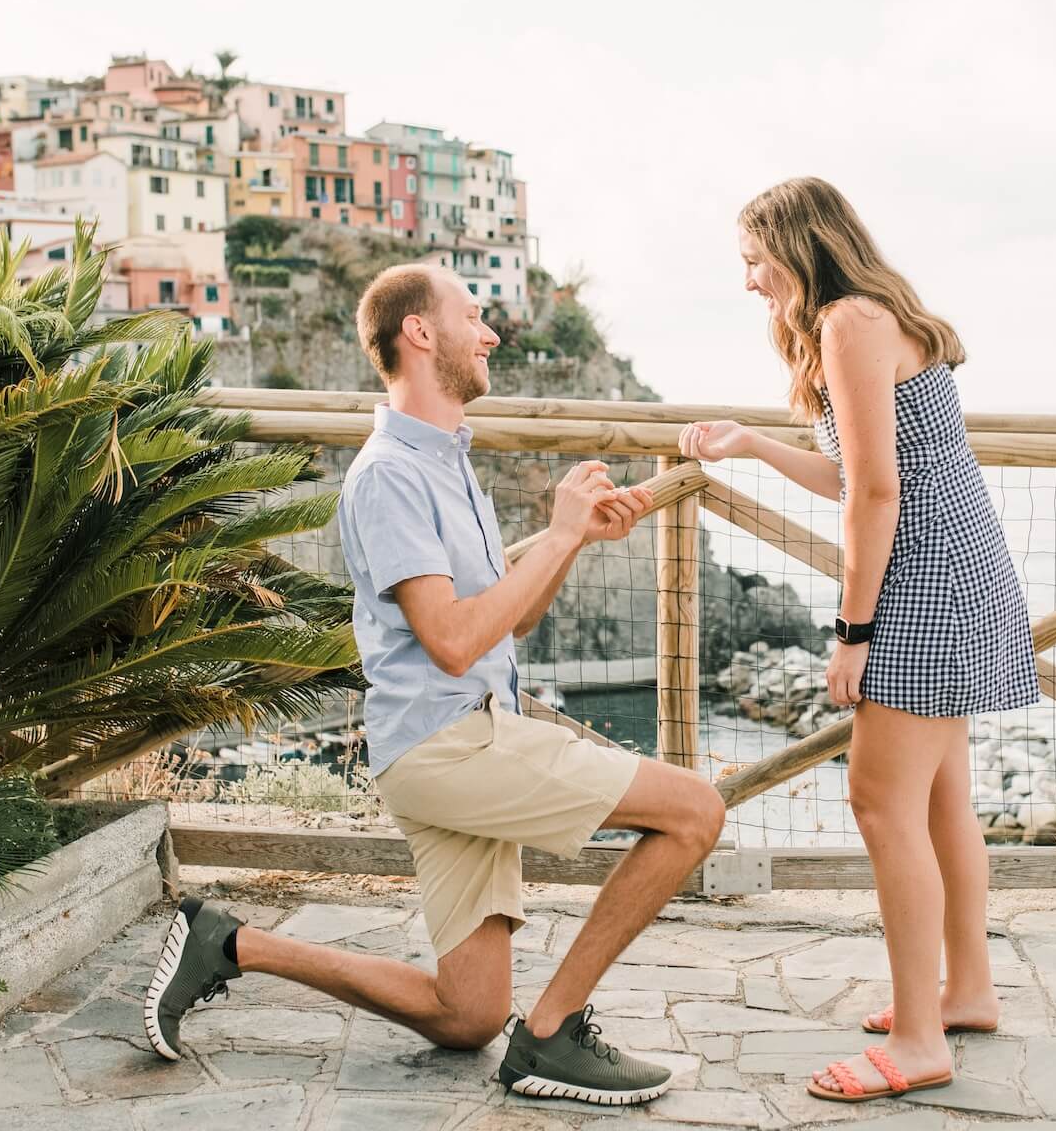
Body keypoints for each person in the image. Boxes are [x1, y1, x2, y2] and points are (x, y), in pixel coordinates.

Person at [144, 262, 726, 1108]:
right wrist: (557, 532)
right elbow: (452, 644)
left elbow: (505, 624)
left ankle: (227, 943)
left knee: (467, 1014)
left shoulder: (450, 463)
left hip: (458, 739)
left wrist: (571, 541)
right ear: (420, 332)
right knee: (696, 811)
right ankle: (553, 1033)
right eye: (473, 316)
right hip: (450, 745)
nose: (491, 334)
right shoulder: (389, 475)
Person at [678, 178, 1040, 1105]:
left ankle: (920, 1040)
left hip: (924, 580)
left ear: (798, 246)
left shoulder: (847, 323)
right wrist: (752, 445)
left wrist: (852, 632)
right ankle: (967, 991)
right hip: (960, 566)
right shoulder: (871, 317)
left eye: (755, 261)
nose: (749, 281)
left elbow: (876, 495)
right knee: (942, 799)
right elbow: (856, 470)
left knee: (880, 805)